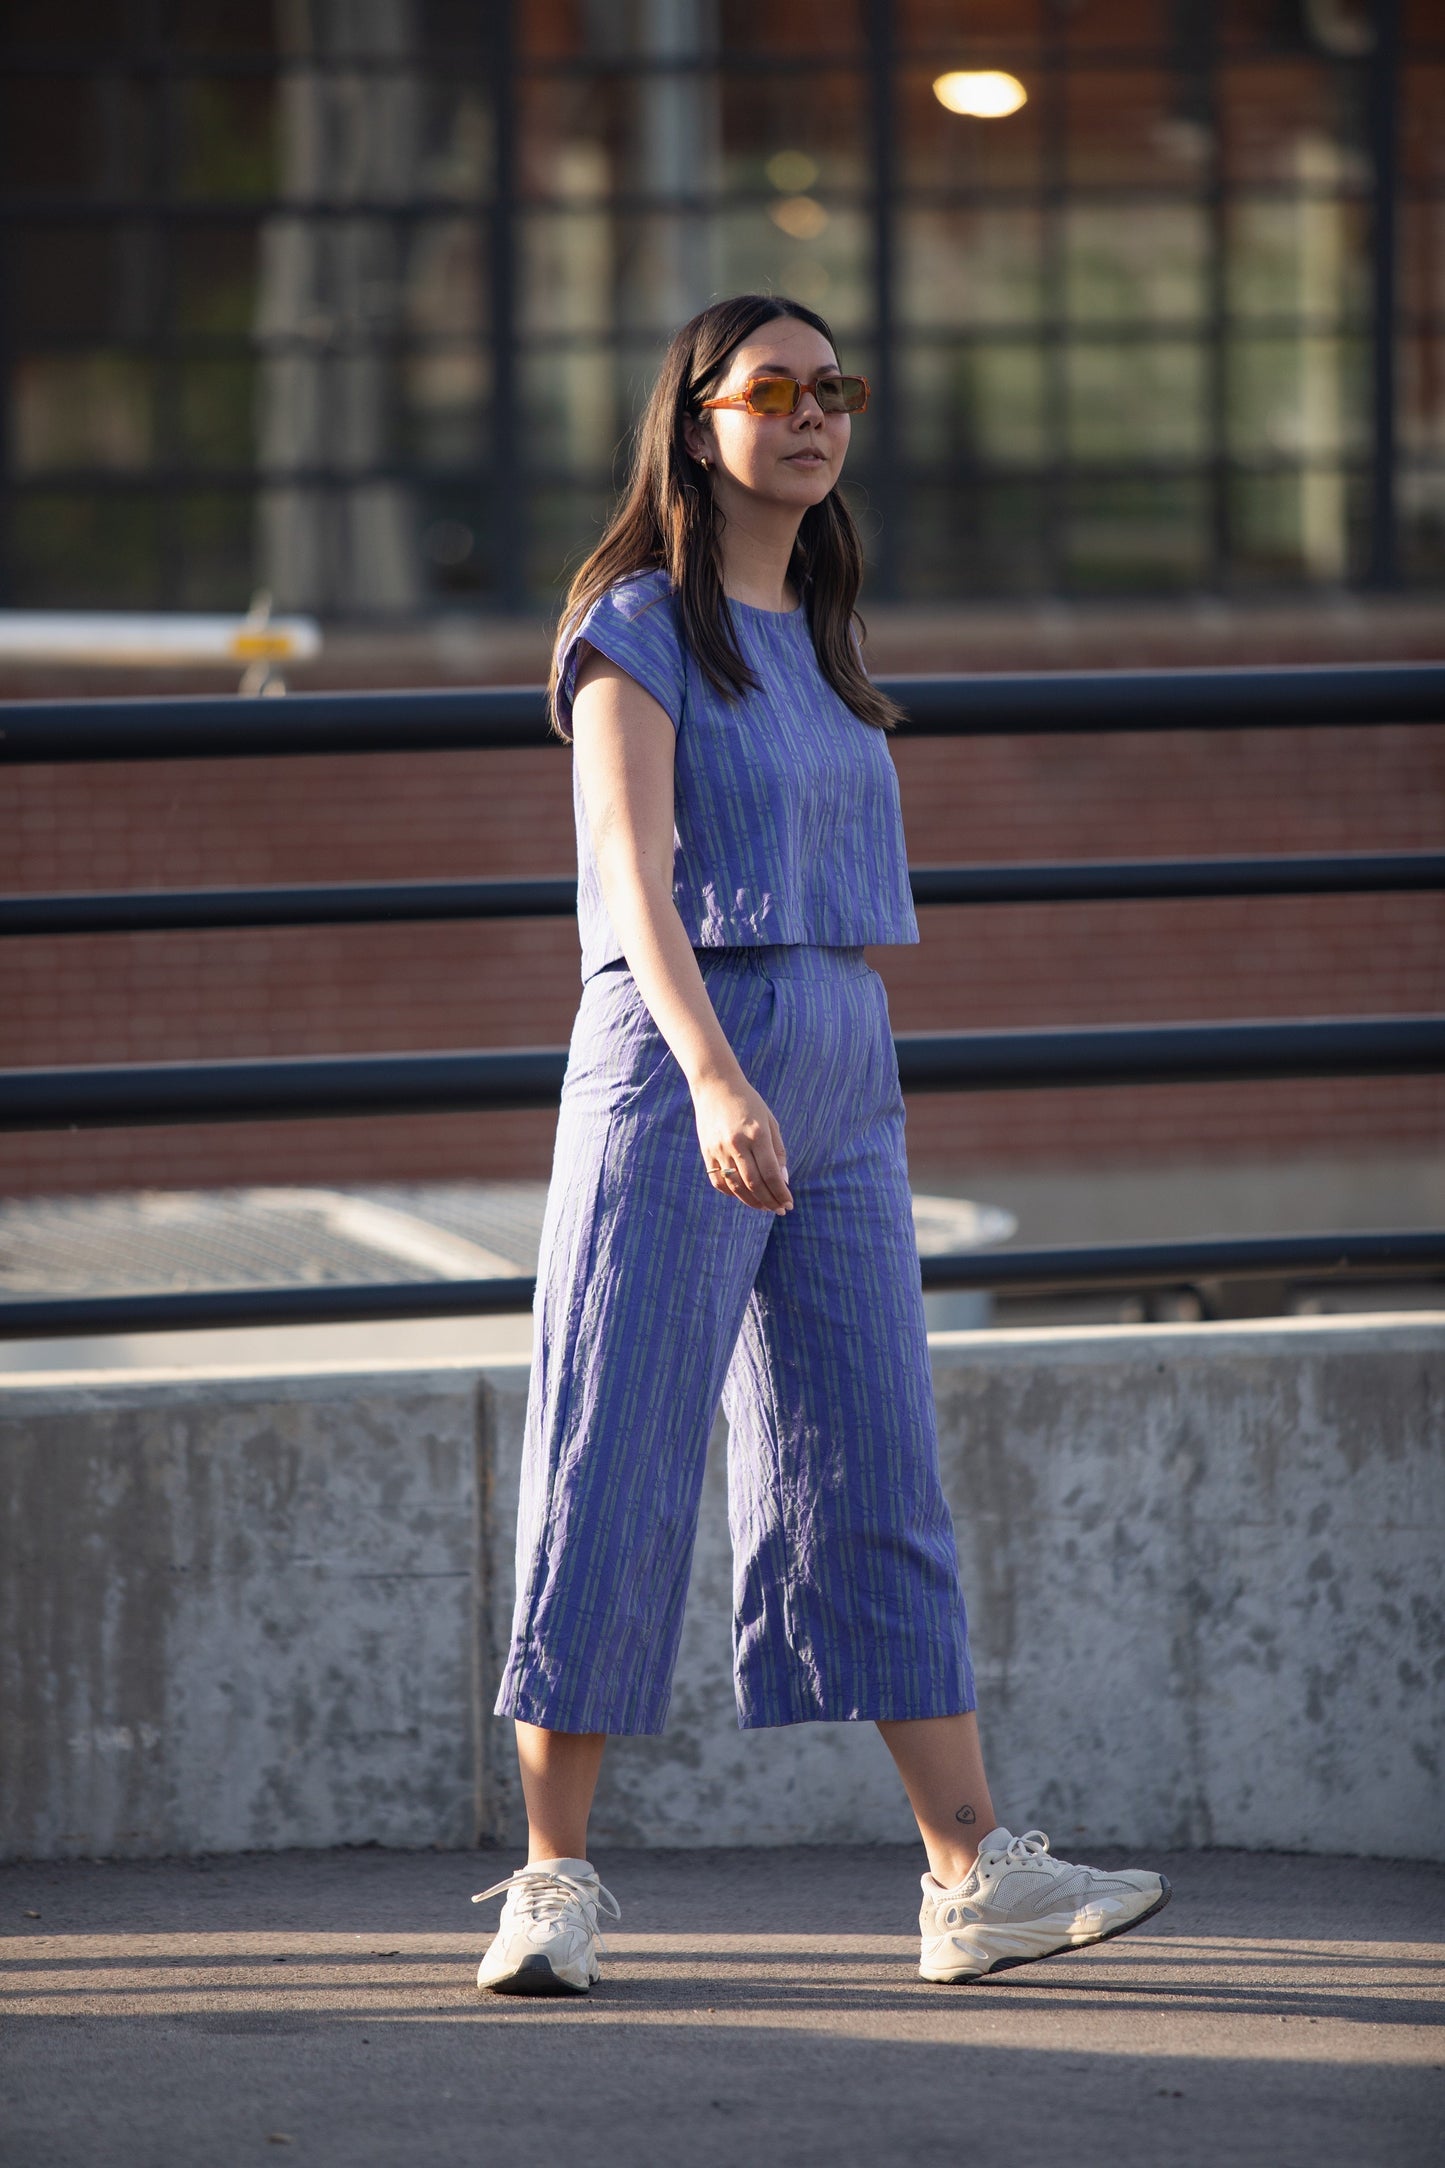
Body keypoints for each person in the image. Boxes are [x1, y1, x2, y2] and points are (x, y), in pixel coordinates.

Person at [470, 293, 1170, 1996]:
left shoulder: (822, 628)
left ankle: (968, 1876)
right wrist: (717, 1079)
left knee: (867, 1456)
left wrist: (806, 1071)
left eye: (830, 388)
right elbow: (633, 880)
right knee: (614, 1449)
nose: (808, 414)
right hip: (681, 1056)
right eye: (769, 388)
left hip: (844, 1053)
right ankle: (550, 1884)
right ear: (693, 423)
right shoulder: (634, 623)